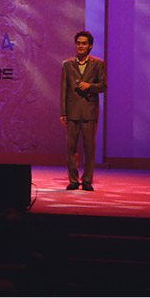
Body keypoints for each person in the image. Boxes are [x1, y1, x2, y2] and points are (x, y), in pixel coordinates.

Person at [60, 31, 106, 191]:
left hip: (89, 111)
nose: (80, 46)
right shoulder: (67, 64)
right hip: (72, 111)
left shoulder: (98, 64)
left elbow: (103, 86)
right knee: (71, 147)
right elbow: (64, 89)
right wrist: (63, 112)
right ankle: (73, 180)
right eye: (78, 43)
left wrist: (89, 86)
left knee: (89, 148)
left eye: (84, 43)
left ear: (90, 46)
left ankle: (87, 180)